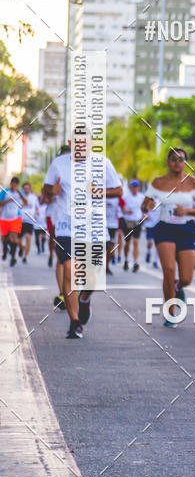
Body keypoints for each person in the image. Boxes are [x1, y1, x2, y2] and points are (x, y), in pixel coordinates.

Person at [42, 140, 122, 338]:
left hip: (93, 227)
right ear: (71, 142)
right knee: (69, 270)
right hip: (66, 228)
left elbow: (118, 191)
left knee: (91, 277)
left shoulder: (103, 162)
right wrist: (52, 190)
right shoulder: (59, 163)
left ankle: (84, 299)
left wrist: (98, 191)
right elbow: (46, 190)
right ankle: (74, 321)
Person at [141, 147, 195, 326]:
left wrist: (187, 210)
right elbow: (144, 205)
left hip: (186, 229)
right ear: (168, 162)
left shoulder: (193, 183)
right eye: (174, 159)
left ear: (186, 162)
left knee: (186, 278)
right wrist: (148, 205)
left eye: (181, 159)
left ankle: (178, 287)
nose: (177, 163)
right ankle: (170, 313)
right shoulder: (158, 182)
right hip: (165, 229)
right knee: (168, 271)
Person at [121, 179, 144, 271]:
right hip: (128, 221)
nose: (135, 189)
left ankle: (135, 262)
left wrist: (144, 214)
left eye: (136, 187)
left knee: (136, 242)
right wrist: (126, 211)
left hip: (137, 221)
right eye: (133, 187)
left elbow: (145, 208)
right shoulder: (125, 197)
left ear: (139, 187)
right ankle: (126, 259)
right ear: (130, 188)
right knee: (127, 243)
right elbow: (121, 209)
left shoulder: (142, 197)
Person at [0, 177, 23, 266]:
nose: (14, 186)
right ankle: (5, 250)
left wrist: (20, 193)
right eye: (13, 184)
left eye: (16, 184)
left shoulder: (19, 192)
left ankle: (13, 257)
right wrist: (9, 201)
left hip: (15, 219)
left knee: (13, 236)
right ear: (11, 183)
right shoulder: (5, 191)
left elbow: (25, 201)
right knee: (4, 238)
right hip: (4, 218)